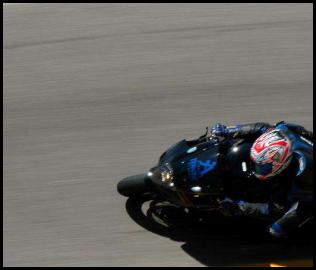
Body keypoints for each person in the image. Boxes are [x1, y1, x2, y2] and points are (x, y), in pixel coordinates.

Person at [210, 121, 313, 238]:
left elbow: (269, 209)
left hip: (308, 196)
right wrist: (229, 131)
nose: (257, 169)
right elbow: (262, 128)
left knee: (276, 230)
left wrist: (237, 206)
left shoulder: (294, 185)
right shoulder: (283, 132)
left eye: (262, 167)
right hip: (306, 145)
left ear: (282, 165)